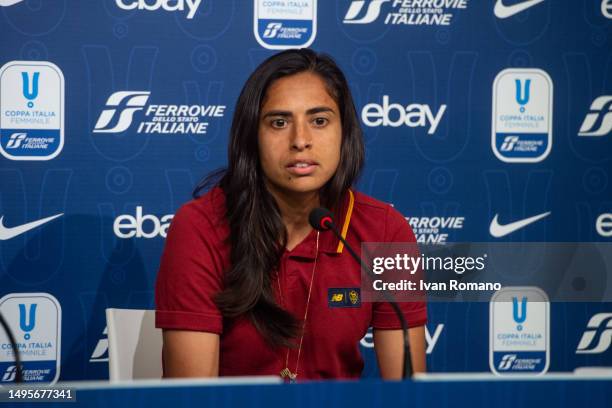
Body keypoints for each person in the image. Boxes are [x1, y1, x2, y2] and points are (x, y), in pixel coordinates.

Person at [155, 48, 426, 381]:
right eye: (279, 122)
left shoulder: (385, 231)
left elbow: (407, 391)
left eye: (319, 120)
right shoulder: (201, 227)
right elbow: (192, 397)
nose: (301, 140)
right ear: (252, 135)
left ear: (345, 132)